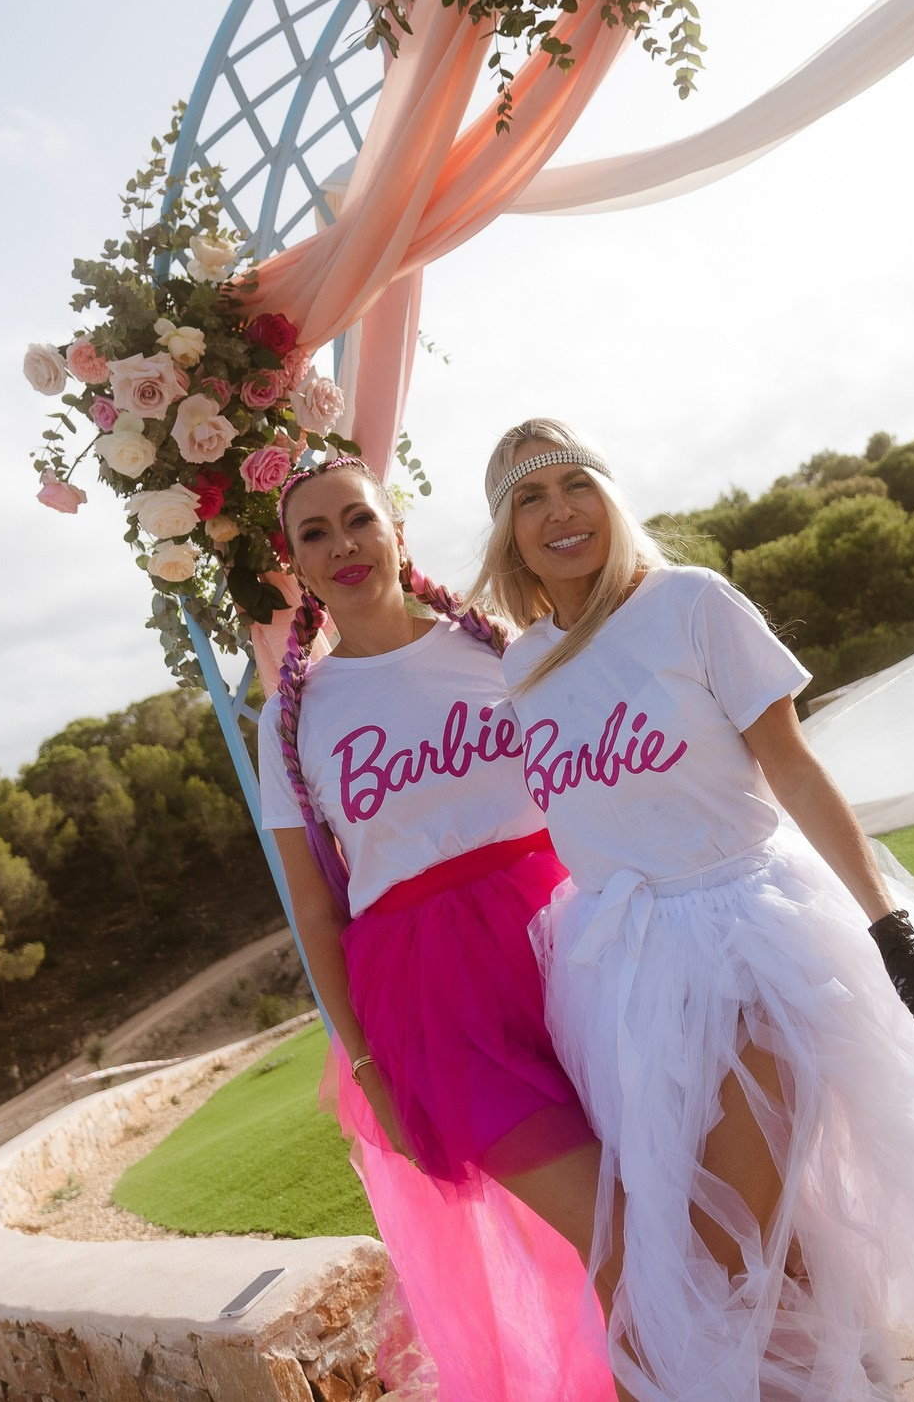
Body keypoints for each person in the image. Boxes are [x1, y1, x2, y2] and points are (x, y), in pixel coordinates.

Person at [476, 419, 914, 1402]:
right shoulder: (521, 668)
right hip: (621, 980)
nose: (558, 512)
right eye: (528, 499)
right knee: (783, 1252)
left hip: (751, 941)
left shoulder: (691, 606)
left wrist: (889, 927)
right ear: (507, 534)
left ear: (608, 494)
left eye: (573, 484)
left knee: (718, 1261)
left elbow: (794, 771)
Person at [257, 455, 616, 1402]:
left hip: (576, 948)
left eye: (357, 521)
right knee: (611, 1232)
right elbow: (313, 907)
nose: (342, 547)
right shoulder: (293, 719)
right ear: (292, 564)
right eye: (315, 535)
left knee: (673, 1206)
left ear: (396, 528)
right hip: (436, 1006)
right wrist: (368, 1065)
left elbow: (599, 778)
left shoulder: (500, 646)